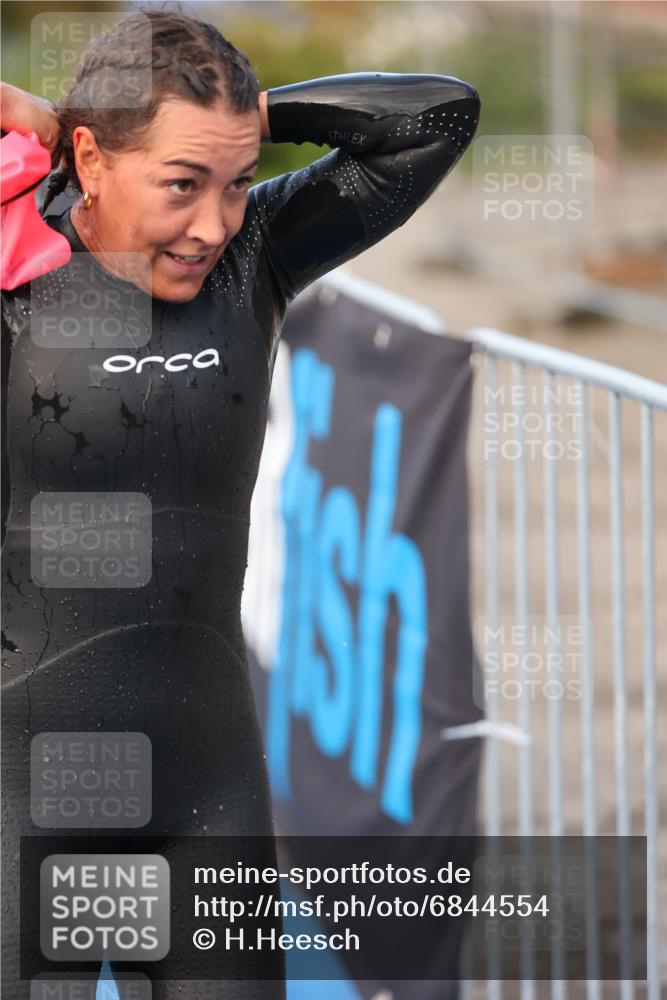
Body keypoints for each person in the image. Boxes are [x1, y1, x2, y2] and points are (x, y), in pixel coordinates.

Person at [1, 8, 480, 999]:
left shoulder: (256, 255)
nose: (212, 222)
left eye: (237, 182)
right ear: (88, 159)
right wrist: (33, 115)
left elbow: (436, 117)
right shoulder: (15, 279)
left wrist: (241, 122)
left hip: (205, 789)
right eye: (181, 183)